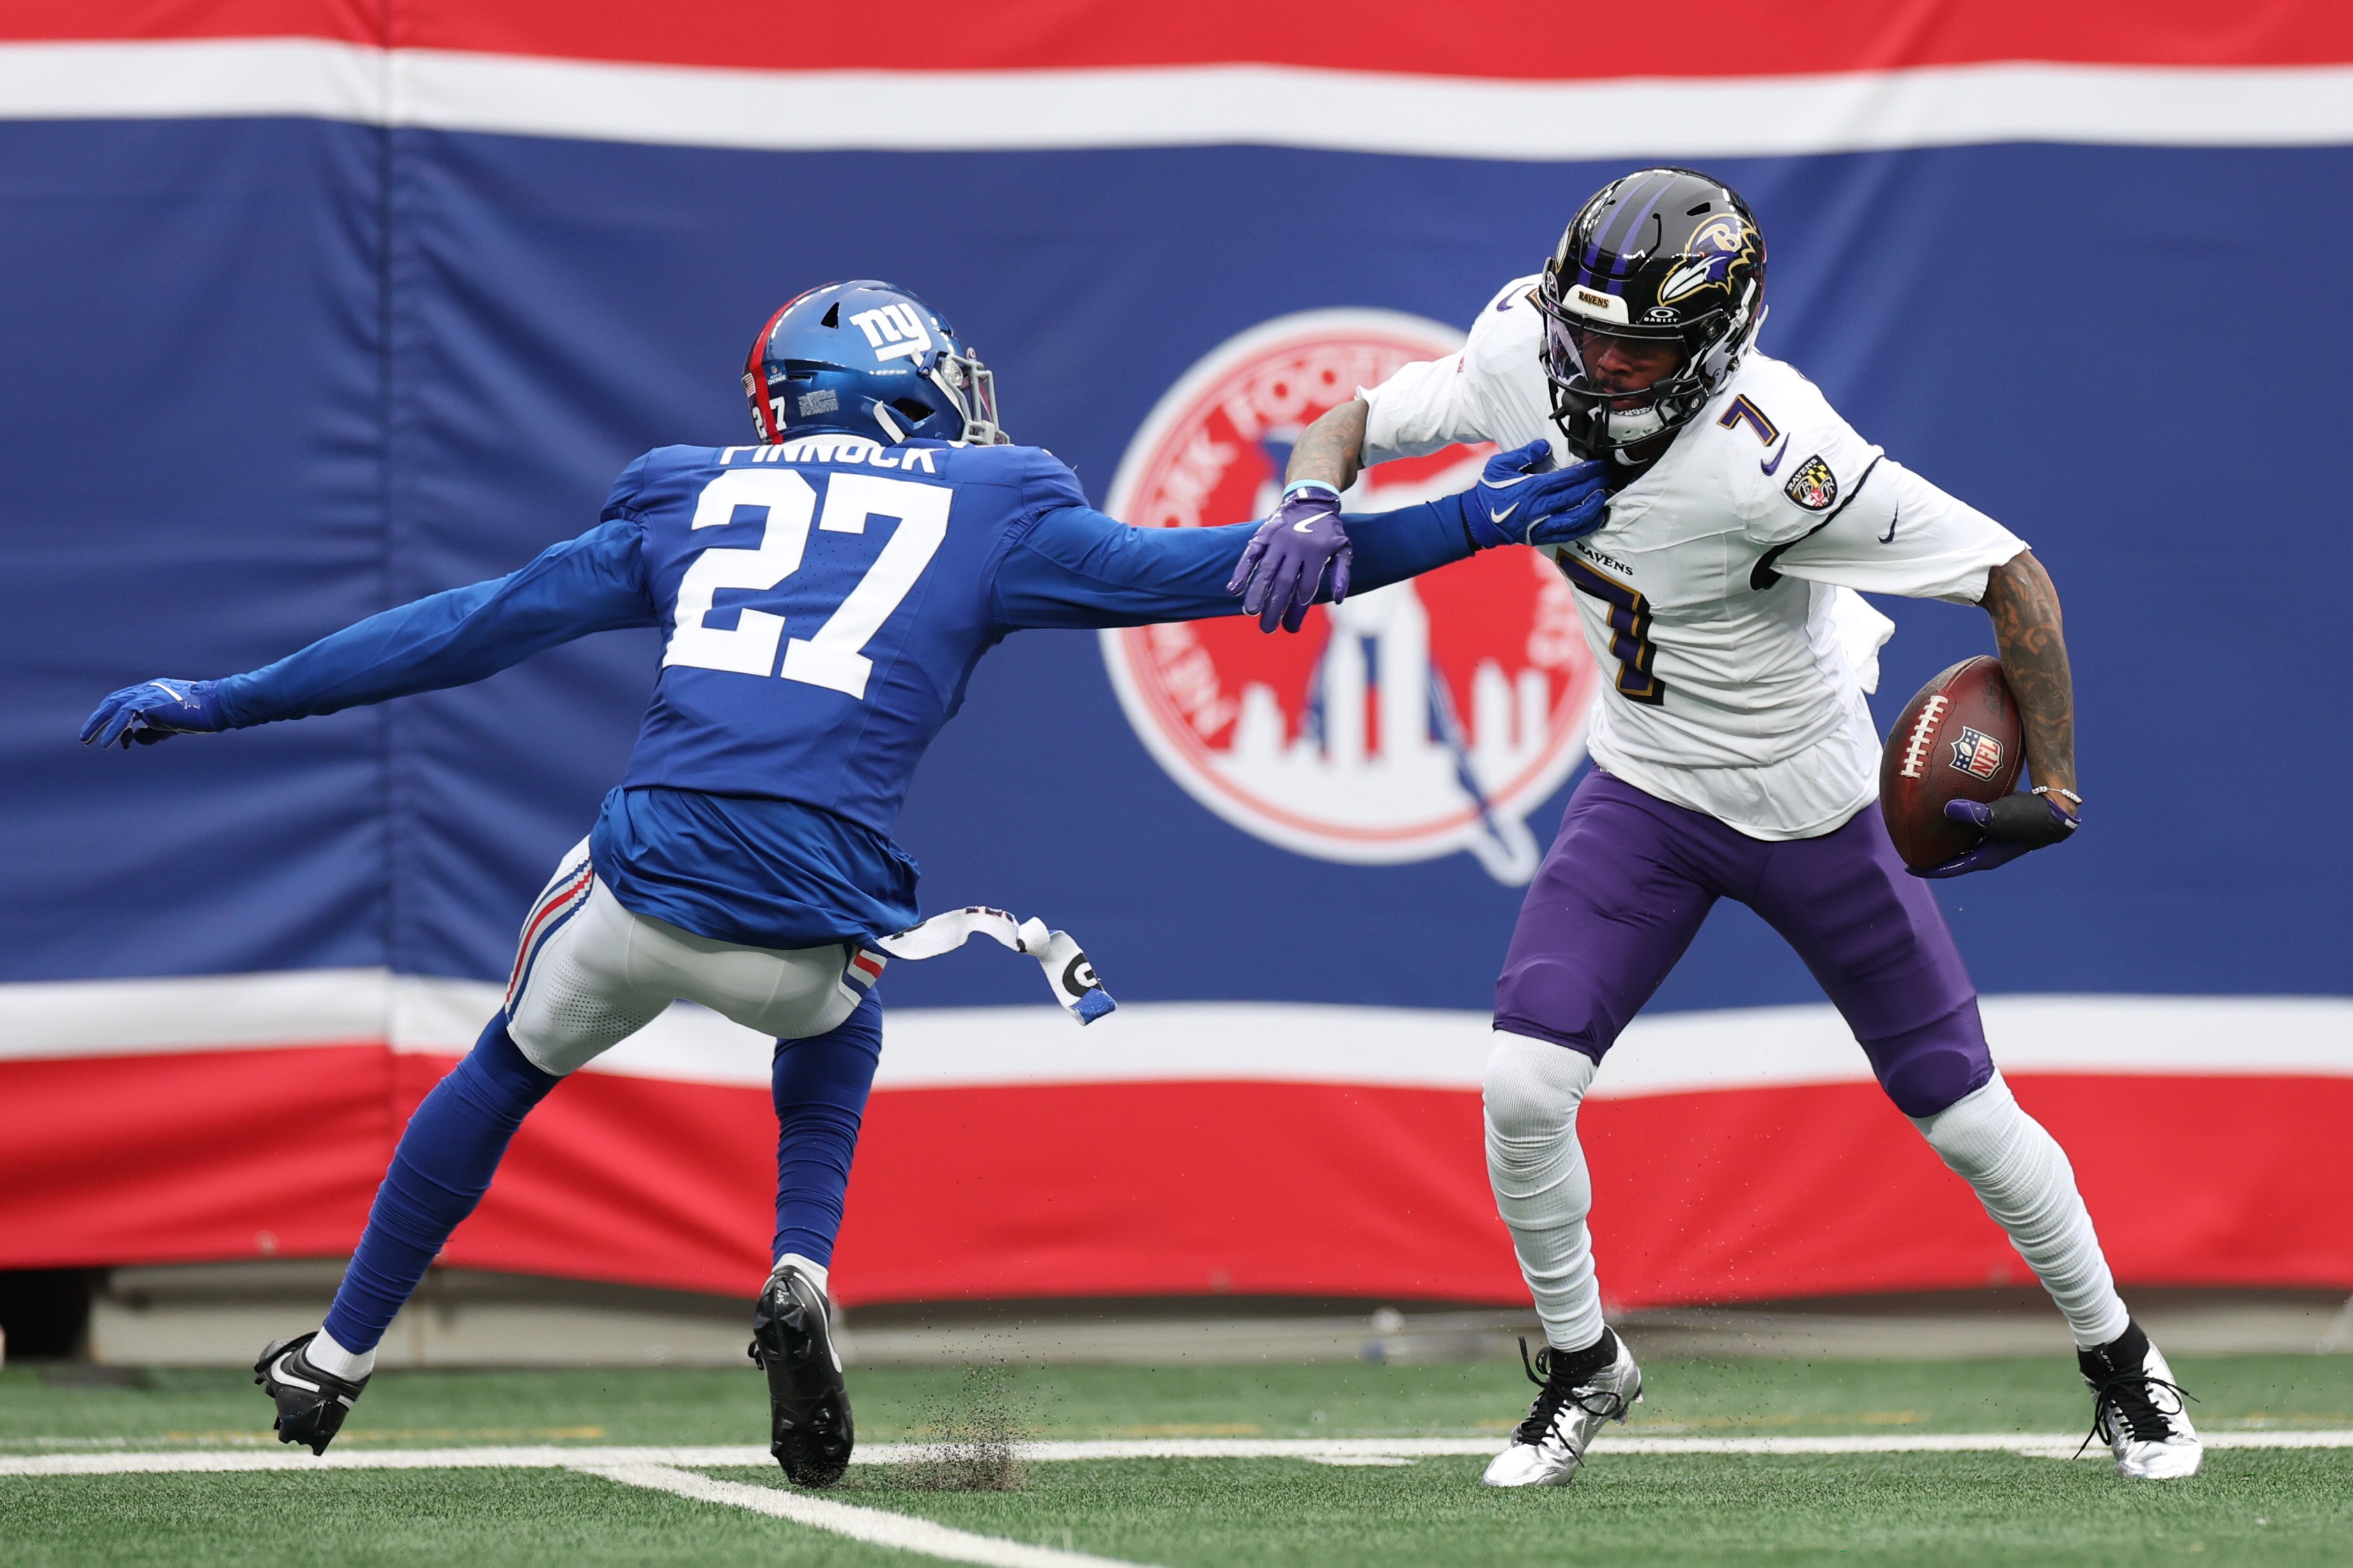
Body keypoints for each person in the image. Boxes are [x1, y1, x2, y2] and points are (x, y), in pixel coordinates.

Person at [81, 280, 1609, 1486]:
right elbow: (1222, 573)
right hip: (809, 917)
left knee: (509, 1055)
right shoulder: (997, 500)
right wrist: (1475, 516)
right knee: (839, 1010)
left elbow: (461, 629)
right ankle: (801, 1265)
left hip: (646, 878)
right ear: (906, 386)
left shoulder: (687, 493)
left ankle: (337, 1357)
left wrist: (229, 696)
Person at [1264, 169, 2200, 1484]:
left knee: (1966, 1109)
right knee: (1523, 1087)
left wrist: (2057, 780)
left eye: (1635, 348)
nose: (1596, 365)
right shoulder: (1523, 347)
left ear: (1713, 344)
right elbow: (1352, 417)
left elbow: (2010, 574)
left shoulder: (1782, 455)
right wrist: (1307, 501)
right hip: (1646, 790)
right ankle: (1586, 1363)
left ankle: (2122, 1365)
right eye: (1587, 333)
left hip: (1814, 803)